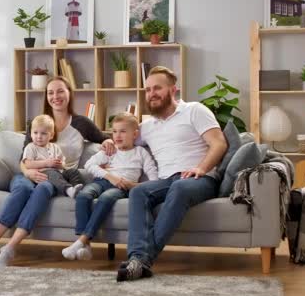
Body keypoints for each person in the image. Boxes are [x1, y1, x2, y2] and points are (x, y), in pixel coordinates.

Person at [0, 76, 115, 267]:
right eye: (51, 92)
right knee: (22, 189)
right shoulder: (38, 123)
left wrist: (108, 141)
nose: (56, 96)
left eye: (60, 91)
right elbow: (24, 159)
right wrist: (28, 173)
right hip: (27, 173)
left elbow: (103, 138)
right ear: (46, 97)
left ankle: (10, 248)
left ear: (69, 93)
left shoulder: (81, 123)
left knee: (43, 189)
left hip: (55, 178)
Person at [112, 66, 228, 281]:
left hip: (200, 179)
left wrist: (200, 168)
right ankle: (138, 258)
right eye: (147, 90)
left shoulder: (194, 110)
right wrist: (108, 142)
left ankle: (142, 260)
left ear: (173, 90)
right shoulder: (146, 126)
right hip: (166, 180)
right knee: (138, 193)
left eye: (157, 88)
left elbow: (219, 143)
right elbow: (124, 140)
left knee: (180, 186)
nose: (151, 94)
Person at [62, 112, 158, 261]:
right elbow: (89, 165)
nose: (117, 135)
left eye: (123, 131)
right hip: (103, 181)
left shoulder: (141, 153)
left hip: (122, 187)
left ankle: (81, 241)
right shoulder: (111, 150)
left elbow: (154, 179)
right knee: (83, 195)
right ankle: (85, 245)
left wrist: (133, 185)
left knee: (106, 199)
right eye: (114, 131)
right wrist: (109, 176)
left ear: (135, 134)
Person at [22, 114, 84, 198]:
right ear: (31, 134)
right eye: (35, 133)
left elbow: (63, 165)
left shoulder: (55, 147)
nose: (39, 136)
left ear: (51, 135)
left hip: (58, 172)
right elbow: (28, 164)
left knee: (73, 171)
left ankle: (78, 190)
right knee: (52, 174)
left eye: (43, 133)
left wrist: (60, 165)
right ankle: (68, 190)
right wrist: (46, 163)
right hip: (43, 174)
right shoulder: (31, 147)